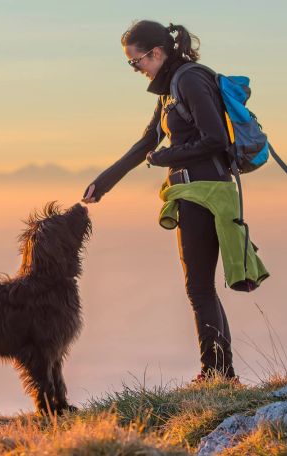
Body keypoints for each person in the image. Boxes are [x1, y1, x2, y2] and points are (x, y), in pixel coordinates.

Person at [81, 20, 238, 383]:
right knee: (201, 287)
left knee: (198, 288)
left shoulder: (189, 80)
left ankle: (216, 375)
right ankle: (220, 373)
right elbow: (145, 144)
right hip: (192, 191)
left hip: (205, 191)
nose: (136, 70)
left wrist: (166, 158)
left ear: (155, 53)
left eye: (136, 62)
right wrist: (103, 183)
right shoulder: (170, 89)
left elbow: (216, 138)